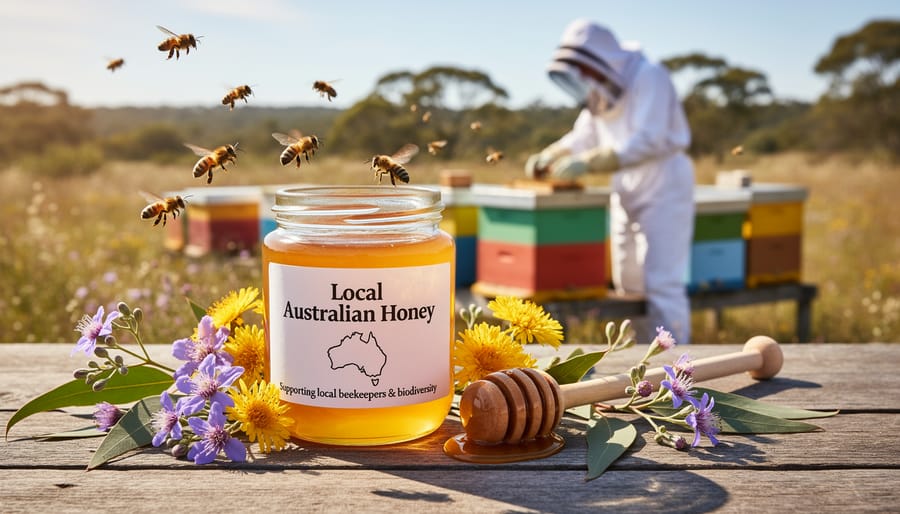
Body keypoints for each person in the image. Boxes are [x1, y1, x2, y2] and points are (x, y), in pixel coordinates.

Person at [526, 19, 695, 344]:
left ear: (601, 60)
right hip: (625, 183)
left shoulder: (650, 76)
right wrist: (552, 153)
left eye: (585, 68)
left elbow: (650, 138)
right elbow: (582, 136)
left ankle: (675, 367)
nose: (584, 78)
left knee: (662, 283)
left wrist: (591, 162)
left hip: (664, 181)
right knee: (626, 280)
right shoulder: (602, 94)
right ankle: (639, 361)